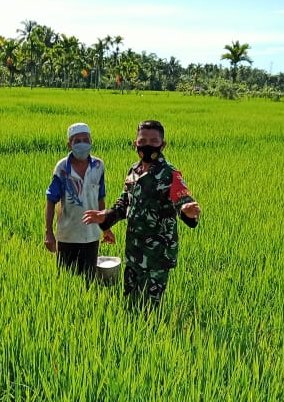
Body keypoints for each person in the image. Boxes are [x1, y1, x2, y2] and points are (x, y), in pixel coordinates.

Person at [83, 119, 200, 308]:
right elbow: (124, 203)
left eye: (153, 141)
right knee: (130, 302)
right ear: (135, 144)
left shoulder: (170, 174)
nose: (147, 146)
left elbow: (182, 199)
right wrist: (106, 216)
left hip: (157, 255)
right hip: (134, 250)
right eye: (143, 141)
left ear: (163, 145)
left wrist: (187, 211)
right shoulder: (134, 171)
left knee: (150, 307)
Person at [44, 122, 114, 280]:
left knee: (88, 278)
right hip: (67, 235)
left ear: (91, 141)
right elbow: (51, 200)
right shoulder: (62, 168)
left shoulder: (98, 166)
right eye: (77, 141)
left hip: (91, 235)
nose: (82, 144)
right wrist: (48, 232)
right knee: (66, 280)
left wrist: (106, 228)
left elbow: (100, 198)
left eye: (86, 140)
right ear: (69, 145)